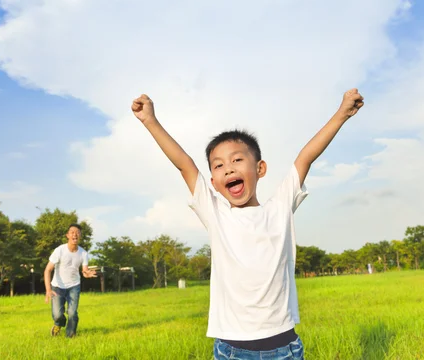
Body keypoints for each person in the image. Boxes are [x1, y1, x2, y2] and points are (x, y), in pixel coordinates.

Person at [132, 89, 364, 359]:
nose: (228, 169)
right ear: (214, 184)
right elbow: (185, 165)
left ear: (260, 169)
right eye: (218, 166)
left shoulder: (279, 208)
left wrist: (342, 114)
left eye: (237, 160)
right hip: (232, 350)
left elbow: (306, 157)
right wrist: (150, 121)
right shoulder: (216, 214)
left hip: (284, 348)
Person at [44, 223, 97, 338]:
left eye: (77, 232)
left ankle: (70, 336)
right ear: (67, 235)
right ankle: (58, 324)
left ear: (80, 236)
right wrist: (48, 289)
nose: (75, 234)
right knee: (57, 315)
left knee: (72, 313)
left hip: (74, 286)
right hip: (57, 287)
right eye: (72, 232)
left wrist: (88, 274)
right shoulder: (60, 250)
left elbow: (84, 271)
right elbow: (47, 270)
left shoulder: (83, 253)